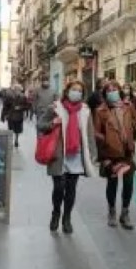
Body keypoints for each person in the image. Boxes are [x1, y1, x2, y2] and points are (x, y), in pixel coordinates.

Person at [37, 80, 97, 234]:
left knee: (71, 189)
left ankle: (67, 218)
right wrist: (53, 122)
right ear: (67, 91)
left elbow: (89, 133)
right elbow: (40, 125)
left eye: (79, 90)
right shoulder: (56, 107)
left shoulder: (85, 110)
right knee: (59, 187)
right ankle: (56, 213)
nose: (76, 92)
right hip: (59, 155)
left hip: (76, 155)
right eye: (73, 89)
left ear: (82, 94)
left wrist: (92, 153)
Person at [94, 81, 136, 229]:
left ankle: (125, 213)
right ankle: (112, 211)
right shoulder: (101, 111)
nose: (112, 92)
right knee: (112, 184)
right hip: (110, 153)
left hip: (127, 152)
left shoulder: (128, 107)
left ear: (119, 91)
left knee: (128, 183)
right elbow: (95, 132)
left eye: (115, 89)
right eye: (109, 90)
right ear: (105, 94)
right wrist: (104, 142)